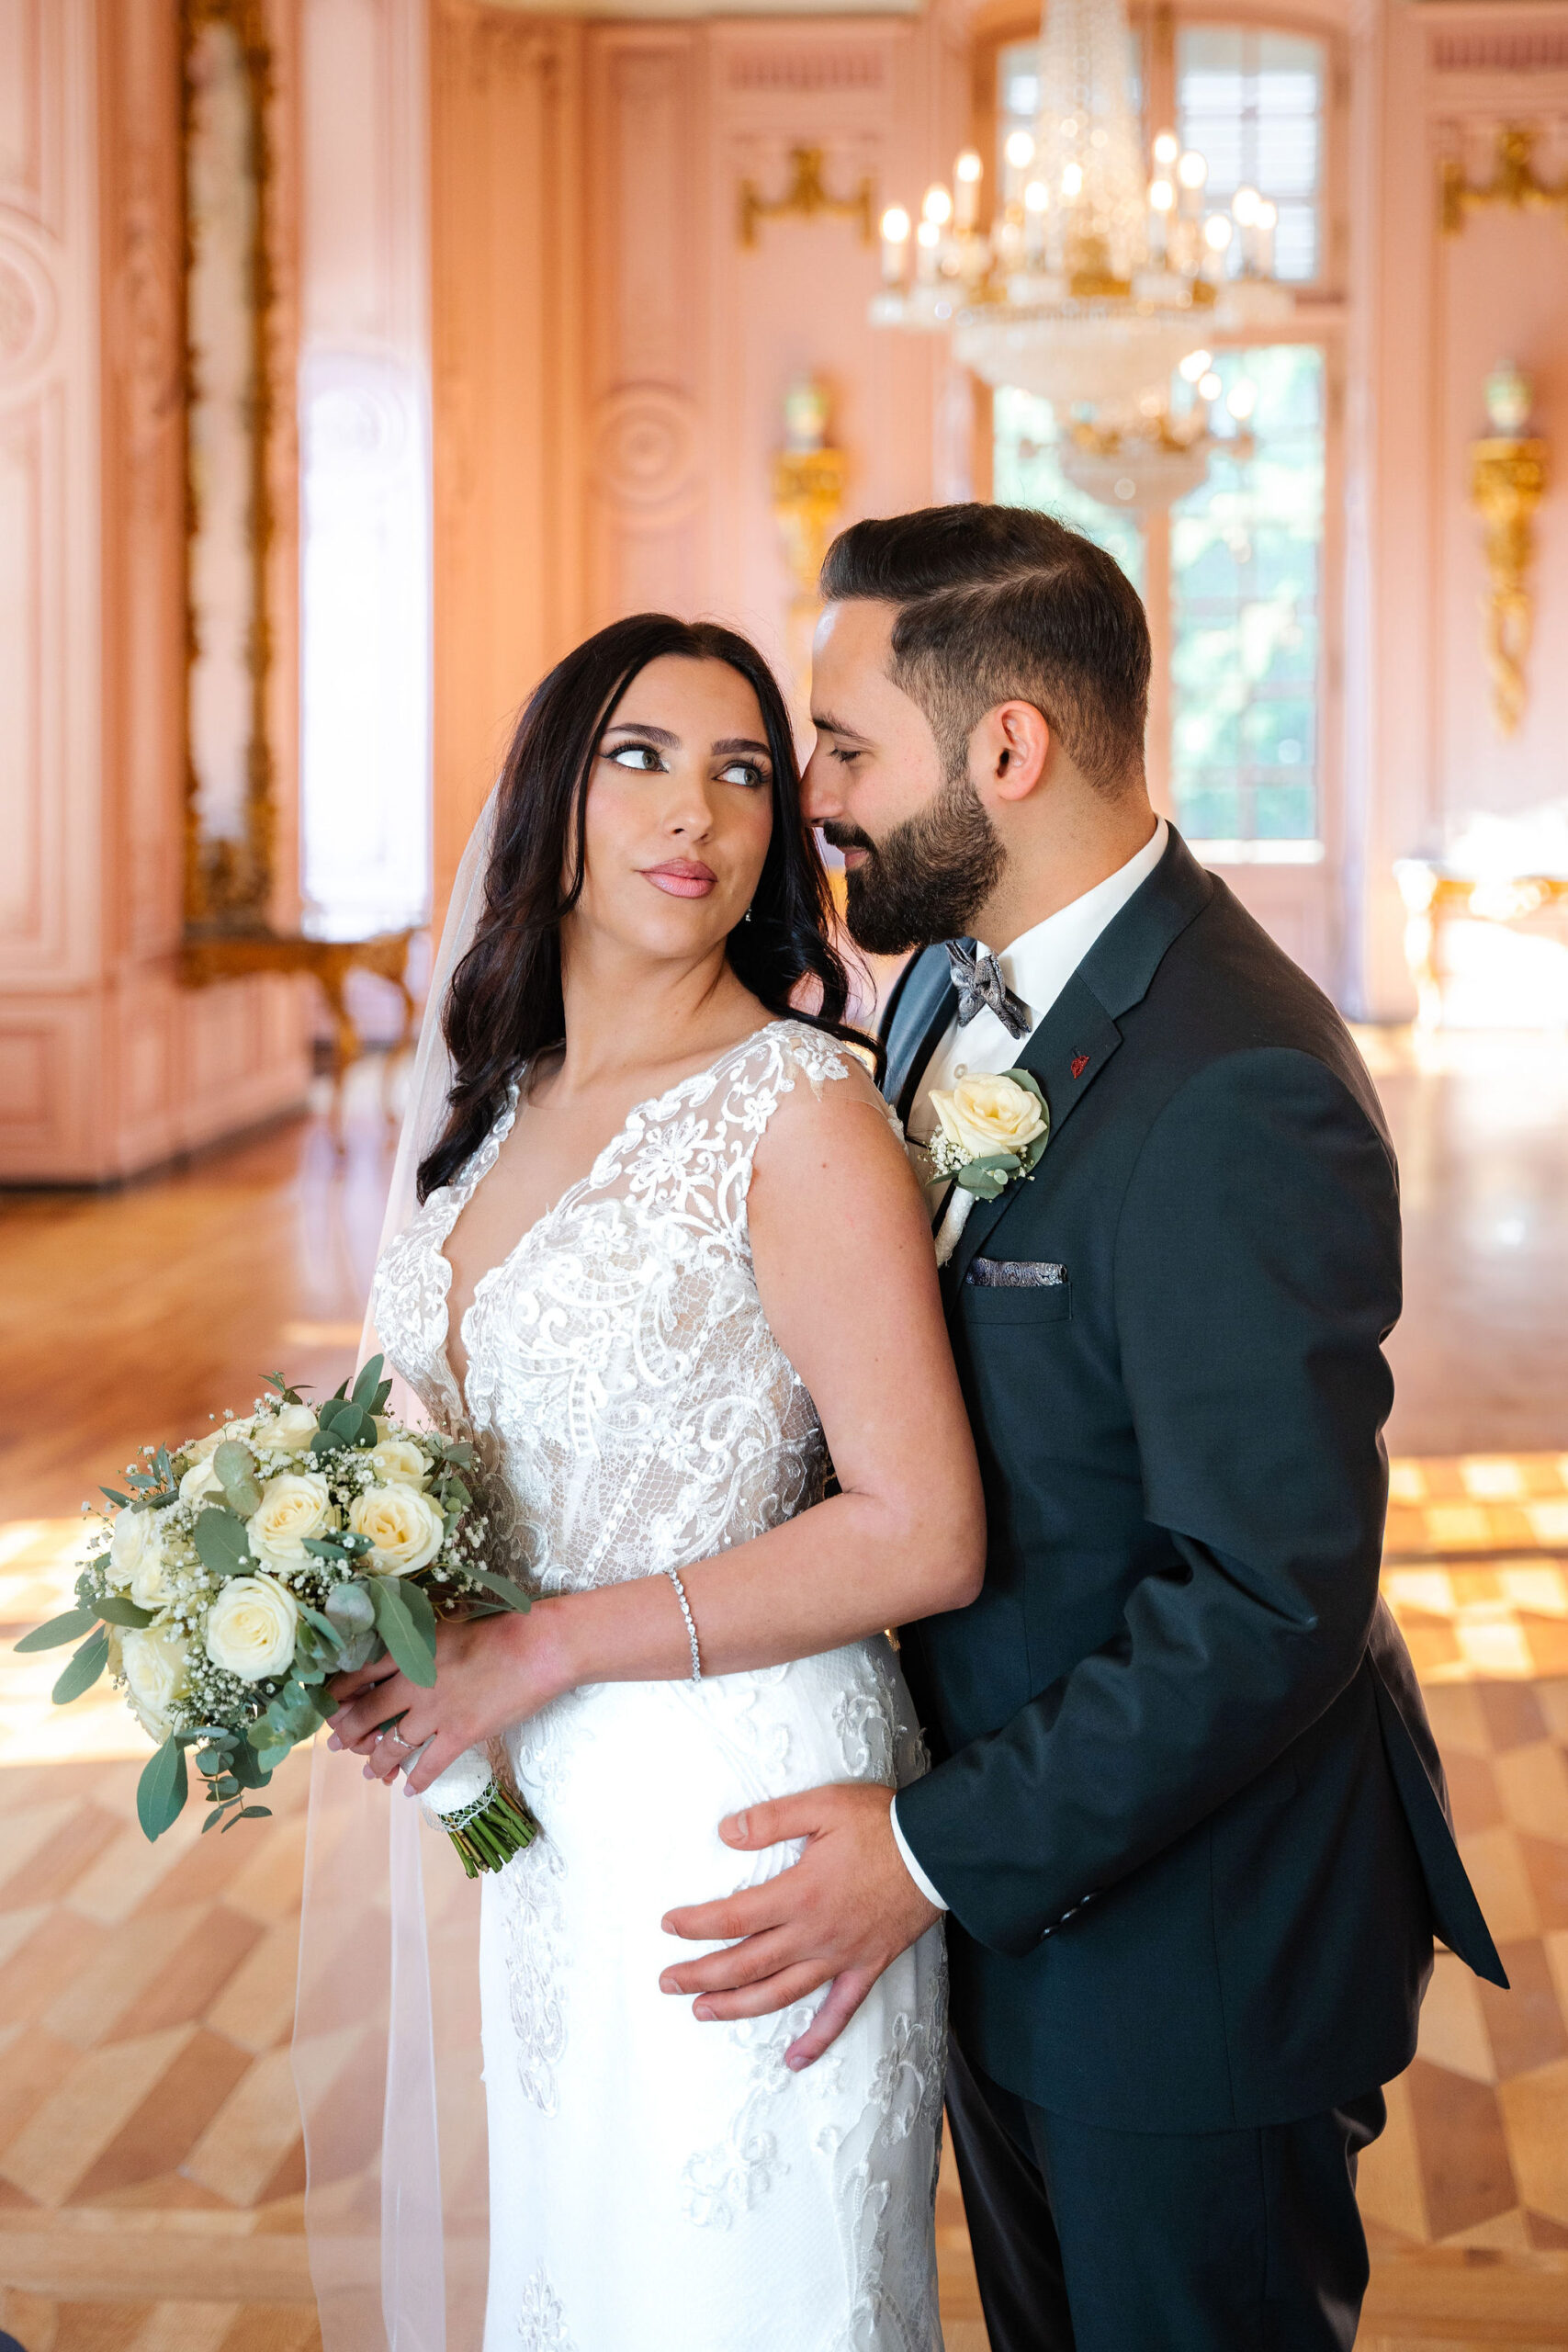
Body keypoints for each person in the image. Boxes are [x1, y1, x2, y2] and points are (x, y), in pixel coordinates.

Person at [657, 504, 1507, 2351]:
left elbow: (1262, 1599)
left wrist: (921, 1851)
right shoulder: (942, 990)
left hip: (1192, 1946)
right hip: (1014, 1906)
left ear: (1007, 749)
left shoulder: (1237, 1079)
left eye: (843, 746)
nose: (813, 795)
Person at [324, 611, 983, 2352]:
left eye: (743, 772)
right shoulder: (496, 1108)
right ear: (554, 796)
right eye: (641, 759)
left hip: (743, 1828)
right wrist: (346, 1614)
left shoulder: (797, 1114)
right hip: (547, 1824)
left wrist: (535, 1647)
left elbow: (925, 1531)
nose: (696, 810)